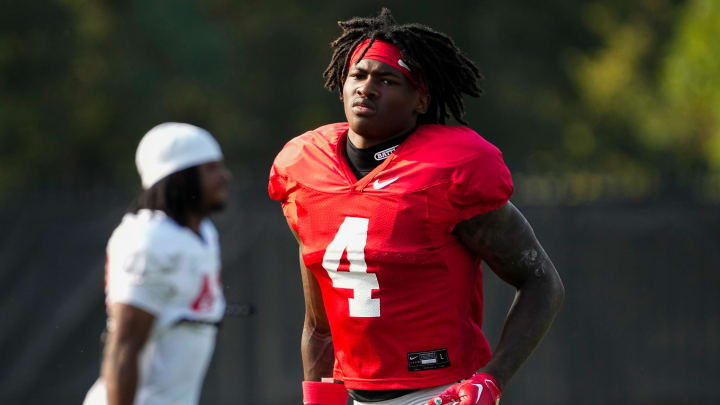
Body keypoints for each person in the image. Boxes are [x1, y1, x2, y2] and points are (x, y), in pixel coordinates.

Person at [268, 8, 565, 405]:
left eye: (387, 80)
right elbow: (320, 325)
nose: (367, 88)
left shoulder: (448, 169)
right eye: (358, 75)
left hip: (441, 393)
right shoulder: (305, 170)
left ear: (421, 99)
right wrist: (319, 396)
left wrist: (491, 380)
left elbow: (542, 282)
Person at [83, 122, 232, 405]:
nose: (225, 176)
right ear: (179, 176)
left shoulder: (204, 234)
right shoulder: (148, 240)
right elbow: (124, 347)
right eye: (211, 168)